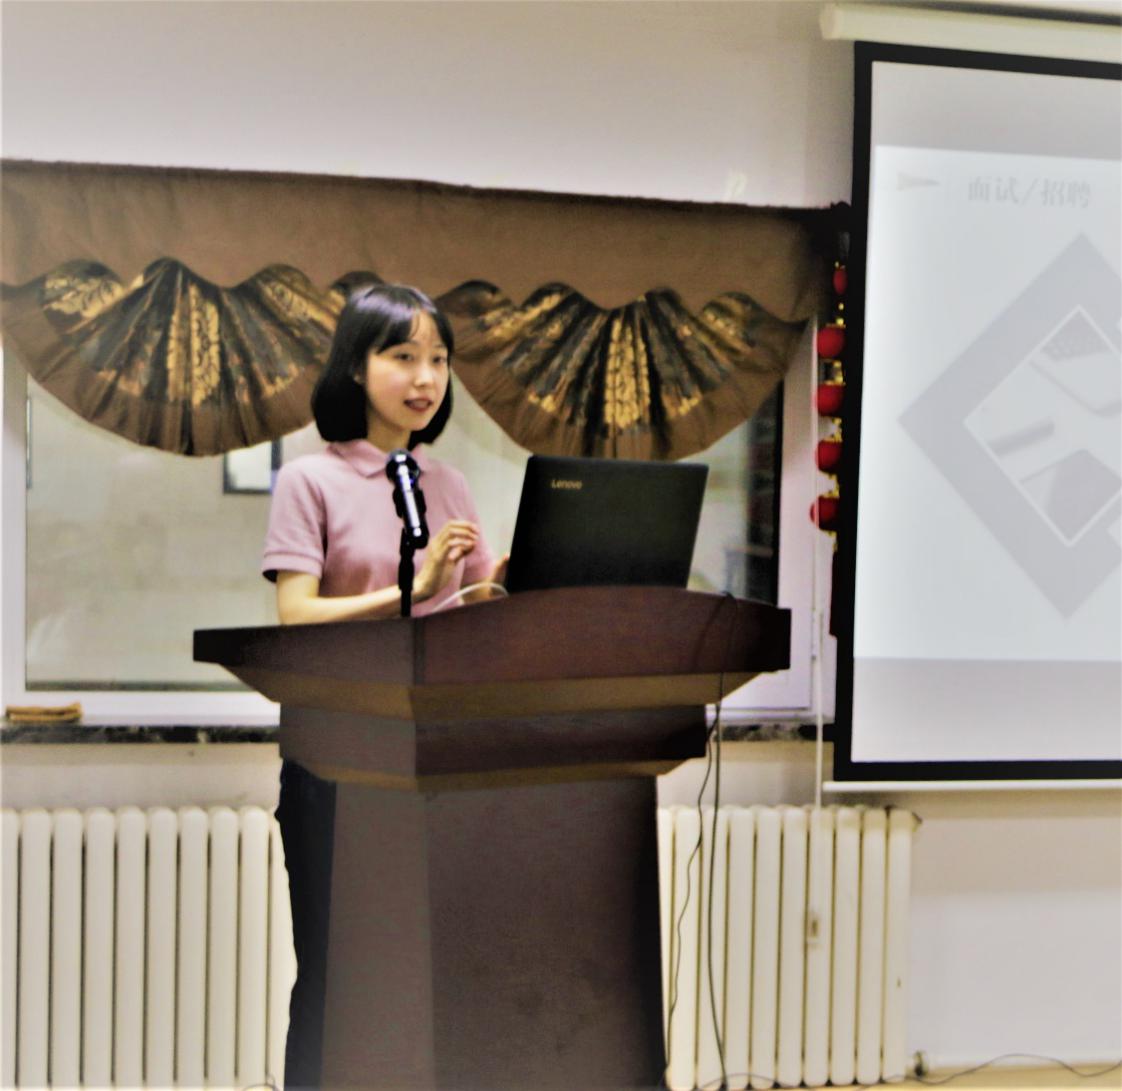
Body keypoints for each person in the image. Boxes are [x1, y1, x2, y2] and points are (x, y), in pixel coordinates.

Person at [261, 283, 505, 1087]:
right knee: (337, 971)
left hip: (438, 752)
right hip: (336, 756)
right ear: (355, 368)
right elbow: (296, 614)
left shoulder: (449, 483)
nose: (425, 377)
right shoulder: (310, 480)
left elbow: (472, 604)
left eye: (439, 359)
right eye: (403, 356)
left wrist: (518, 572)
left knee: (430, 967)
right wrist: (413, 588)